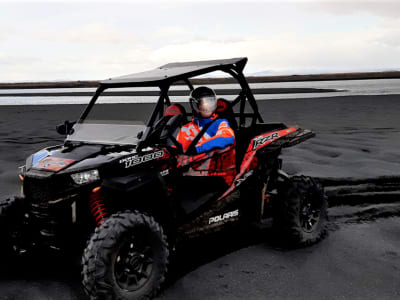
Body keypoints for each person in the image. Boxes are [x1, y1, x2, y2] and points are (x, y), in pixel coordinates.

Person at [176, 86, 235, 154]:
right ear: (195, 106)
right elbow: (177, 149)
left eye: (211, 103)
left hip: (210, 162)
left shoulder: (220, 123)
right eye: (204, 103)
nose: (209, 107)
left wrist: (198, 149)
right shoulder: (185, 129)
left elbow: (227, 137)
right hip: (186, 163)